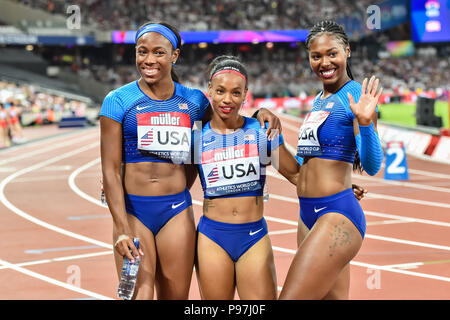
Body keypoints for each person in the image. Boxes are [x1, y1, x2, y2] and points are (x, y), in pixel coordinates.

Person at [99, 22, 281, 300]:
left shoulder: (195, 102)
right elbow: (110, 170)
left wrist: (259, 114)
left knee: (175, 296)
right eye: (142, 51)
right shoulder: (117, 101)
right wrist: (121, 228)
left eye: (159, 52)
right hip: (133, 212)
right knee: (139, 295)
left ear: (174, 55)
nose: (149, 60)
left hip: (176, 210)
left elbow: (227, 121)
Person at [193, 56, 367, 300]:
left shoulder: (262, 131)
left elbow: (297, 175)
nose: (227, 99)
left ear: (245, 95)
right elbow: (175, 183)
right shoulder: (196, 136)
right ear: (210, 90)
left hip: (252, 238)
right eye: (220, 91)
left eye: (235, 92)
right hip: (212, 237)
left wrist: (337, 187)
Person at [279, 20, 384, 300]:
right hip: (307, 213)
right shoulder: (318, 99)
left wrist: (365, 123)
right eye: (316, 56)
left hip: (336, 214)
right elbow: (308, 165)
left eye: (332, 53)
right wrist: (274, 138)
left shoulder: (355, 97)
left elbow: (373, 165)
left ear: (347, 52)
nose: (324, 62)